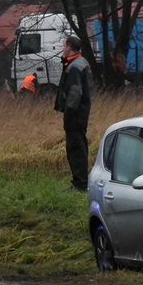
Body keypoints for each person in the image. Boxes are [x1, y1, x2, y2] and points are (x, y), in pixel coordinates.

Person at [54, 36, 92, 192]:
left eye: (64, 46)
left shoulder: (74, 67)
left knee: (75, 148)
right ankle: (81, 182)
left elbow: (75, 93)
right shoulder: (82, 62)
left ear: (69, 47)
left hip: (75, 115)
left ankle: (80, 184)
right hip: (81, 113)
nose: (63, 48)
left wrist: (68, 112)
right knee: (79, 146)